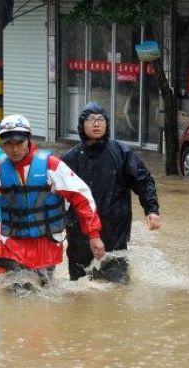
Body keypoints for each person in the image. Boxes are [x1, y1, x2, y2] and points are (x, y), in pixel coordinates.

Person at [0, 114, 105, 285]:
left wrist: (94, 235)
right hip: (14, 244)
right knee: (17, 293)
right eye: (8, 144)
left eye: (19, 143)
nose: (14, 149)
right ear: (2, 144)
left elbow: (81, 196)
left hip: (46, 243)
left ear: (28, 140)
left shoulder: (51, 166)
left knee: (44, 295)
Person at [61, 102, 161, 282]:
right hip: (79, 234)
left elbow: (143, 180)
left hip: (114, 232)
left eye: (101, 119)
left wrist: (151, 210)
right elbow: (55, 194)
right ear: (82, 125)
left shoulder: (122, 153)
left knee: (116, 288)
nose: (96, 124)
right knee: (79, 290)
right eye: (91, 120)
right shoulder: (70, 158)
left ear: (107, 124)